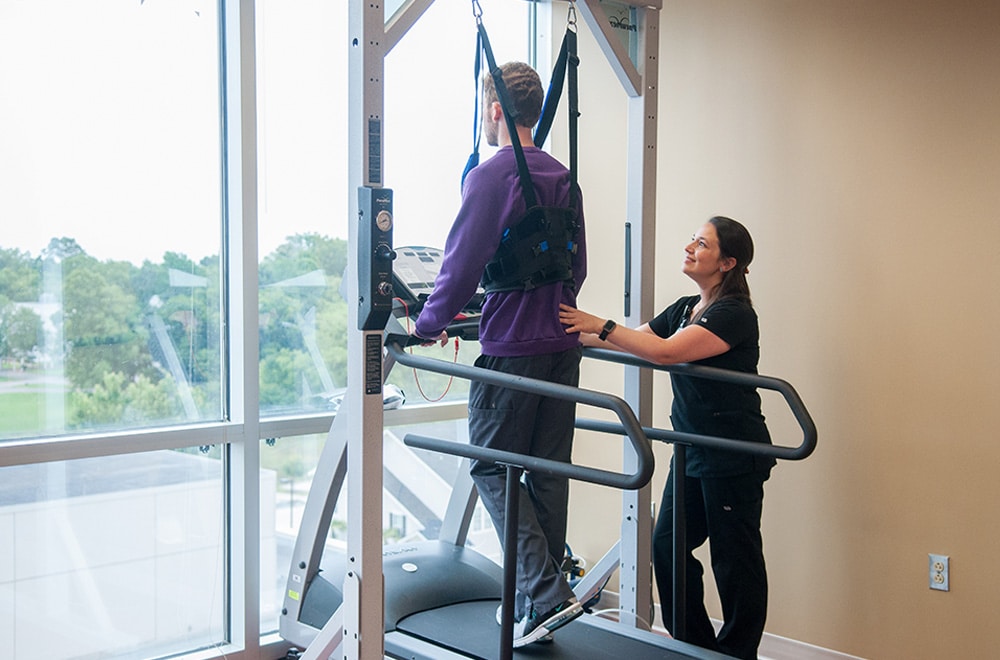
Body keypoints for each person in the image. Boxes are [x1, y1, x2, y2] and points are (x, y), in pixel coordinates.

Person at [412, 61, 586, 648]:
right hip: (562, 344)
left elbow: (461, 263)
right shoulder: (562, 175)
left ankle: (545, 593)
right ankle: (535, 602)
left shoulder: (491, 177)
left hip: (511, 347)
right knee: (546, 474)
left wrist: (427, 322)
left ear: (493, 110)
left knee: (490, 464)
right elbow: (575, 265)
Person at [558, 216, 775, 659]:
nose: (690, 247)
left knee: (735, 561)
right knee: (667, 545)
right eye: (693, 239)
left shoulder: (734, 314)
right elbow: (634, 342)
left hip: (734, 453)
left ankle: (736, 653)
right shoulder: (683, 308)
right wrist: (559, 335)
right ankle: (694, 647)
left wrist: (597, 323)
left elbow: (666, 352)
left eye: (702, 244)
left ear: (727, 262)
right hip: (692, 448)